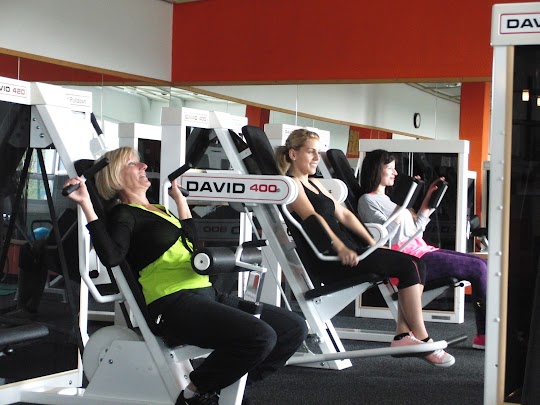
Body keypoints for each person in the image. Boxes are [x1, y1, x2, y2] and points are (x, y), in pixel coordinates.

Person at [64, 146, 308, 405]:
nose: (144, 166)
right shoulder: (124, 214)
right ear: (115, 176)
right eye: (133, 163)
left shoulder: (160, 209)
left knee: (293, 328)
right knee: (260, 336)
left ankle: (223, 387)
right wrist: (86, 204)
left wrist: (180, 201)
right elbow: (112, 257)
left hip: (207, 294)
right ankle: (195, 392)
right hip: (174, 304)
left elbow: (191, 239)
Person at [275, 129, 455, 368]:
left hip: (350, 250)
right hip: (330, 258)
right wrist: (340, 247)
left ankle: (403, 335)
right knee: (408, 266)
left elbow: (345, 216)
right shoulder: (291, 185)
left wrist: (371, 241)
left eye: (318, 152)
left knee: (416, 264)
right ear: (293, 154)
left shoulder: (315, 183)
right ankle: (422, 338)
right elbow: (312, 217)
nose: (317, 158)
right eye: (311, 152)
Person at [357, 149, 487, 350]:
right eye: (390, 168)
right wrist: (403, 205)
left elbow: (414, 230)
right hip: (407, 258)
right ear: (376, 170)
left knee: (482, 263)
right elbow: (383, 236)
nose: (395, 173)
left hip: (422, 248)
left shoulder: (390, 201)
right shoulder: (367, 200)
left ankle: (486, 333)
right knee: (477, 268)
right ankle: (484, 336)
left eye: (395, 168)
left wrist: (427, 200)